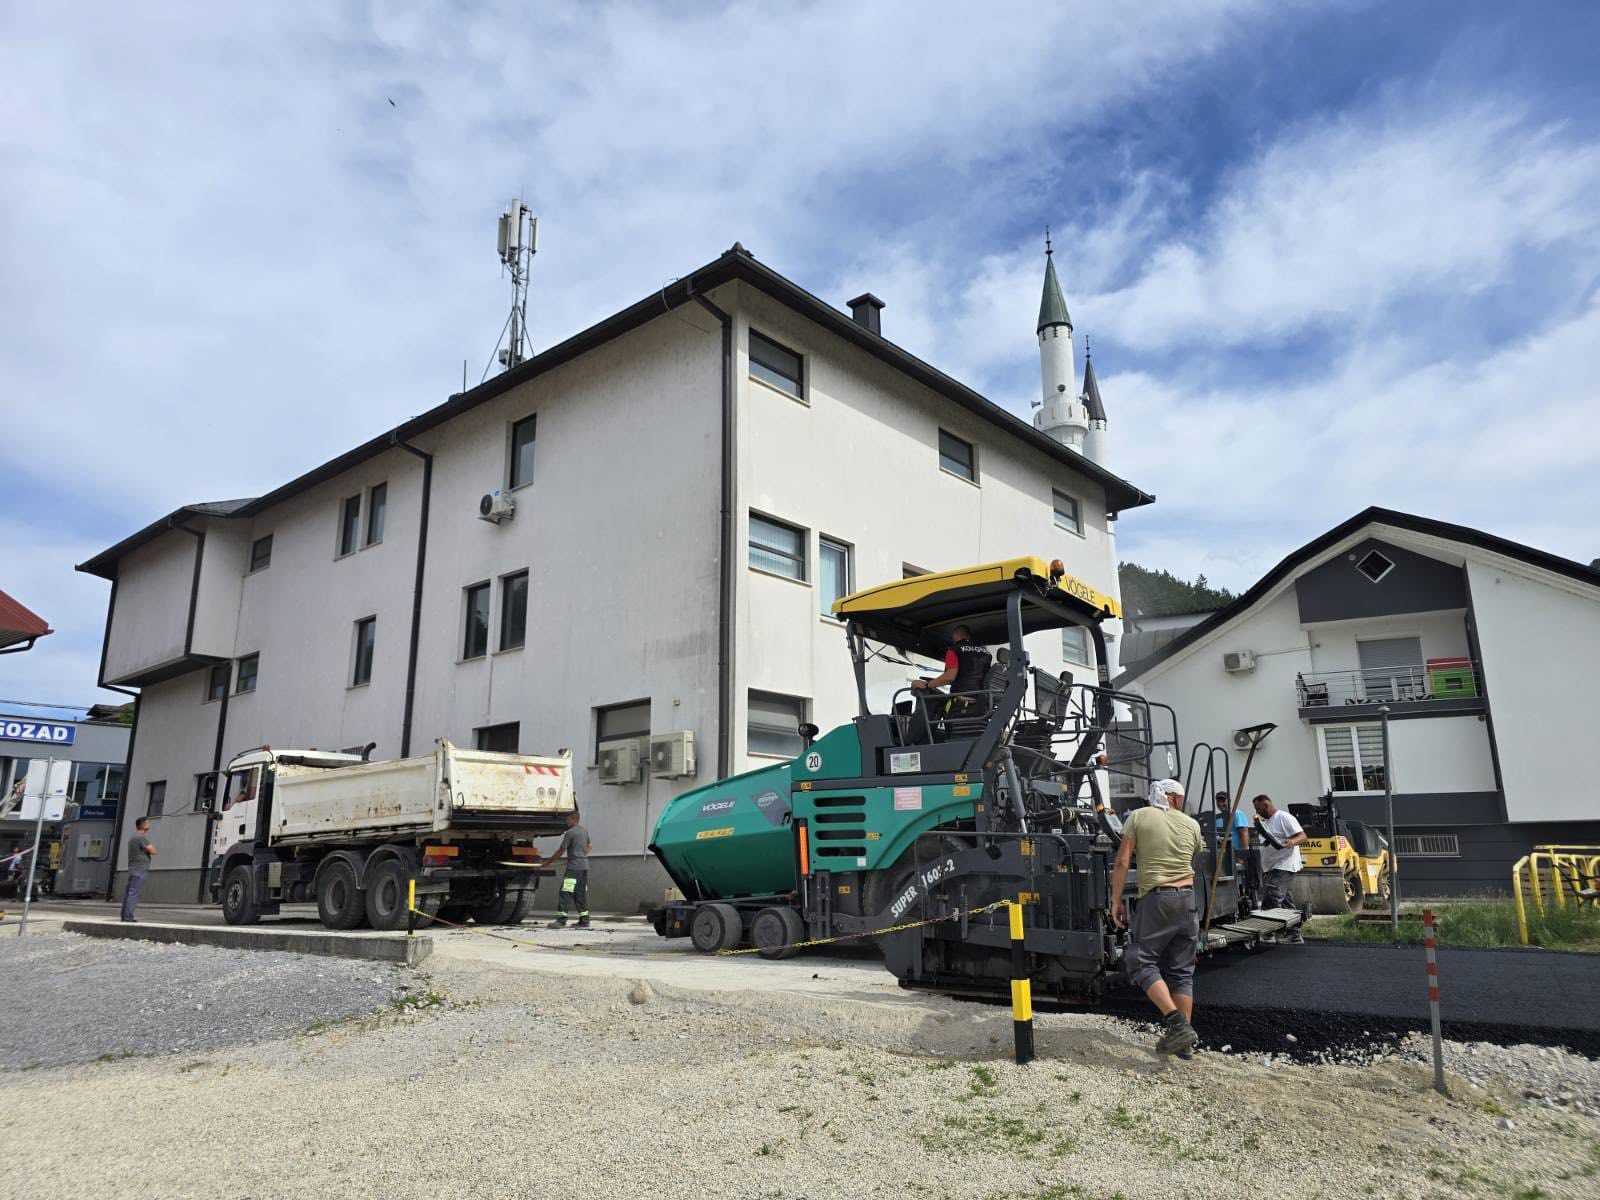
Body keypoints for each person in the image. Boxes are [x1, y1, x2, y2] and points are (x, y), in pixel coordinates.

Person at [1110, 778, 1205, 1058]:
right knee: (1182, 971)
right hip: (1188, 898)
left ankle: (1178, 1025)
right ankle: (1184, 1044)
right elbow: (1192, 858)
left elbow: (1122, 861)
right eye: (1181, 798)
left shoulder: (1139, 817)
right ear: (1174, 797)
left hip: (1158, 898)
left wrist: (1116, 900)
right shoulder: (1192, 824)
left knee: (1140, 961)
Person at [910, 624, 993, 729]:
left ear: (956, 636)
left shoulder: (954, 650)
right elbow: (971, 676)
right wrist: (937, 681)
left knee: (924, 693)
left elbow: (950, 677)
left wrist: (928, 685)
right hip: (981, 704)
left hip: (960, 703)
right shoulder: (986, 653)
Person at [1252, 794, 1307, 942]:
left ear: (1266, 805)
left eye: (1258, 809)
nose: (1257, 812)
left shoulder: (1283, 817)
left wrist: (1292, 841)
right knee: (1285, 902)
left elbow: (1303, 836)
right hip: (1273, 867)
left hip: (1285, 864)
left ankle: (1267, 931)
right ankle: (1293, 934)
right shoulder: (1265, 823)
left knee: (1272, 896)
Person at [542, 810, 591, 929]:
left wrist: (548, 862)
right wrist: (581, 854)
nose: (566, 821)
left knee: (565, 892)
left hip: (574, 868)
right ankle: (584, 921)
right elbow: (589, 846)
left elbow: (561, 850)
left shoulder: (570, 832)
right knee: (580, 893)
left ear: (574, 819)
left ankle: (561, 920)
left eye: (567, 819)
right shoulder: (584, 831)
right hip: (584, 867)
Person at [123, 817, 156, 922]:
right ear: (143, 825)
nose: (149, 825)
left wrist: (145, 850)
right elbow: (153, 851)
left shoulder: (133, 837)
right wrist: (147, 851)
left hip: (133, 867)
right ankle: (128, 917)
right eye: (148, 823)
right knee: (134, 893)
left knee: (130, 892)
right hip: (139, 868)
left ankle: (124, 916)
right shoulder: (141, 837)